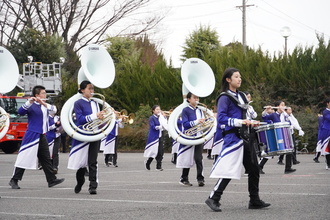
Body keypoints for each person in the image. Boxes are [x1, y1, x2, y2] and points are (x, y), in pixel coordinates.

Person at [205, 68, 270, 212]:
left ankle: (254, 200)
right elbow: (221, 118)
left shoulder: (241, 95)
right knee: (229, 170)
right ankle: (213, 198)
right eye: (236, 77)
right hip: (233, 137)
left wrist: (252, 121)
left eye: (240, 77)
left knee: (254, 168)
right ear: (228, 79)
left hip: (246, 136)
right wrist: (240, 122)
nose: (239, 79)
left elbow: (245, 114)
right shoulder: (224, 97)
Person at [9, 85, 65, 189]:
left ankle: (51, 180)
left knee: (46, 158)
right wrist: (29, 102)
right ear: (37, 95)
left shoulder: (44, 105)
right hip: (32, 134)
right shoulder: (31, 105)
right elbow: (20, 111)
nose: (45, 95)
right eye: (43, 93)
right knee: (24, 157)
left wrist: (42, 102)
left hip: (42, 134)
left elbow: (54, 110)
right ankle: (14, 179)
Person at [67, 80, 104, 195]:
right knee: (81, 163)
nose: (92, 91)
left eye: (92, 88)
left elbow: (98, 120)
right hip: (83, 135)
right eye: (89, 88)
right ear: (82, 90)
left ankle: (93, 186)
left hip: (94, 134)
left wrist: (105, 117)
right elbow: (80, 119)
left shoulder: (95, 103)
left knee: (93, 161)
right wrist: (95, 116)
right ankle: (80, 182)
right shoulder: (78, 103)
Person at [176, 92, 205, 187]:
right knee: (187, 158)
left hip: (199, 137)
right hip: (189, 137)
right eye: (194, 97)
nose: (197, 99)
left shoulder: (200, 110)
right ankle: (184, 178)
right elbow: (185, 124)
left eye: (198, 97)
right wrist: (197, 121)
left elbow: (204, 123)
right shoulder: (185, 110)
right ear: (188, 99)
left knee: (199, 158)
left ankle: (200, 179)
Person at [261, 101, 296, 174]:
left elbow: (290, 122)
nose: (284, 106)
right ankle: (259, 166)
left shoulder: (285, 114)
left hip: (285, 134)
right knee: (270, 152)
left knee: (289, 150)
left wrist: (285, 112)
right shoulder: (274, 115)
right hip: (277, 135)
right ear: (277, 106)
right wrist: (266, 110)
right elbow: (264, 117)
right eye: (282, 105)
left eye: (284, 105)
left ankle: (288, 168)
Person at [144, 105, 165, 171]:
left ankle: (158, 166)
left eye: (159, 109)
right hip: (153, 137)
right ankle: (148, 162)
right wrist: (159, 127)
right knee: (153, 152)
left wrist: (164, 118)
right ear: (153, 111)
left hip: (160, 135)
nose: (159, 111)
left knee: (160, 151)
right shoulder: (152, 118)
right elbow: (152, 126)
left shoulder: (160, 117)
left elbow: (165, 124)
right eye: (157, 109)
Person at [319, 98, 330, 169]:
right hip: (327, 131)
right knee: (327, 149)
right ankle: (328, 163)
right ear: (328, 103)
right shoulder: (325, 111)